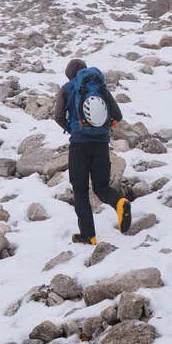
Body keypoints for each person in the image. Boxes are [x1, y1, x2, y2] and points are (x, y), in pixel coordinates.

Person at [54, 58, 132, 245]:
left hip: (79, 146)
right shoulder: (99, 87)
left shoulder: (66, 89)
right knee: (101, 187)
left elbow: (58, 116)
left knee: (80, 191)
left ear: (69, 74)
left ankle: (88, 236)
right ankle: (120, 203)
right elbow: (118, 115)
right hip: (101, 145)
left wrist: (73, 129)